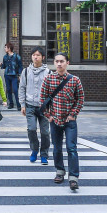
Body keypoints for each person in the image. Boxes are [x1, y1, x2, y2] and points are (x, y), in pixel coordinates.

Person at [40, 52, 85, 191]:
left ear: (67, 63)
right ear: (54, 63)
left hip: (69, 120)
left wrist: (73, 114)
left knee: (72, 148)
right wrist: (49, 115)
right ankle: (60, 172)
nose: (59, 64)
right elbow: (42, 99)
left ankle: (73, 178)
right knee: (57, 148)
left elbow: (80, 99)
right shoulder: (48, 79)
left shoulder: (74, 80)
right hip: (55, 119)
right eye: (57, 61)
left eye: (62, 61)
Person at [19, 46, 51, 165]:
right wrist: (22, 104)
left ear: (43, 57)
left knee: (45, 132)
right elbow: (22, 88)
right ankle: (34, 150)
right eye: (34, 55)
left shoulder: (48, 72)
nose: (35, 57)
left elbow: (51, 91)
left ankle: (44, 155)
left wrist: (50, 107)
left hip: (44, 107)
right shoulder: (26, 71)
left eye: (38, 55)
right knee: (31, 129)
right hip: (30, 105)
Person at [2, 42, 23, 110]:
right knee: (8, 89)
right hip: (7, 74)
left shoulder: (16, 56)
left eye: (6, 47)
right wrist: (1, 65)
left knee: (15, 90)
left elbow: (20, 66)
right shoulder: (5, 57)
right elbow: (4, 66)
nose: (5, 49)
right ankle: (10, 104)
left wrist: (19, 74)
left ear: (9, 48)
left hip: (14, 75)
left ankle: (18, 105)